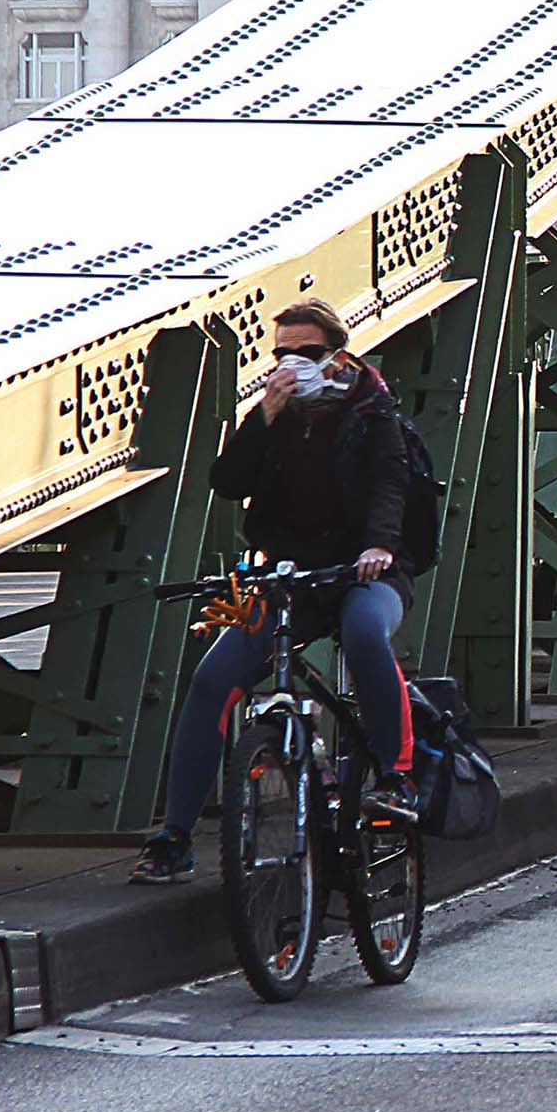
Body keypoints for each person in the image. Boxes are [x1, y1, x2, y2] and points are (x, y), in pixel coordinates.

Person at [133, 299, 417, 884]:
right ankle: (175, 835)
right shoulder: (274, 413)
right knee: (214, 679)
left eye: (307, 353)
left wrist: (379, 547)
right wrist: (262, 416)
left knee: (365, 633)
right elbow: (229, 483)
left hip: (365, 571)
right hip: (290, 575)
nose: (293, 363)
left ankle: (397, 777)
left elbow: (392, 482)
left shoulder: (372, 408)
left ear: (337, 355)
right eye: (282, 352)